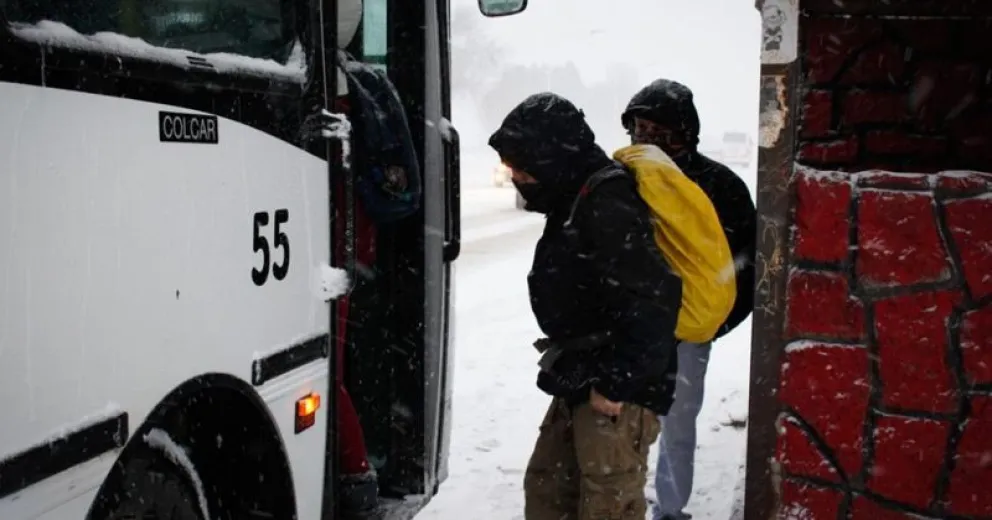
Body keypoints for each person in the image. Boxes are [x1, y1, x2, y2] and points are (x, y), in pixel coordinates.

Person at [488, 92, 683, 520]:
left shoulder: (608, 200)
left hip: (614, 392)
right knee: (549, 494)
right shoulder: (574, 195)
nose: (519, 177)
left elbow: (655, 301)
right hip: (579, 375)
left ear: (551, 155)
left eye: (523, 166)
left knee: (605, 507)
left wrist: (614, 385)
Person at [620, 79, 757, 520]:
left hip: (689, 334)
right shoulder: (621, 179)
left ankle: (670, 510)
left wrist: (715, 320)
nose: (650, 142)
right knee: (619, 423)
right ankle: (618, 504)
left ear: (686, 135)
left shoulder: (720, 186)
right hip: (629, 328)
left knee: (677, 424)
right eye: (641, 130)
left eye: (663, 133)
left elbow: (746, 261)